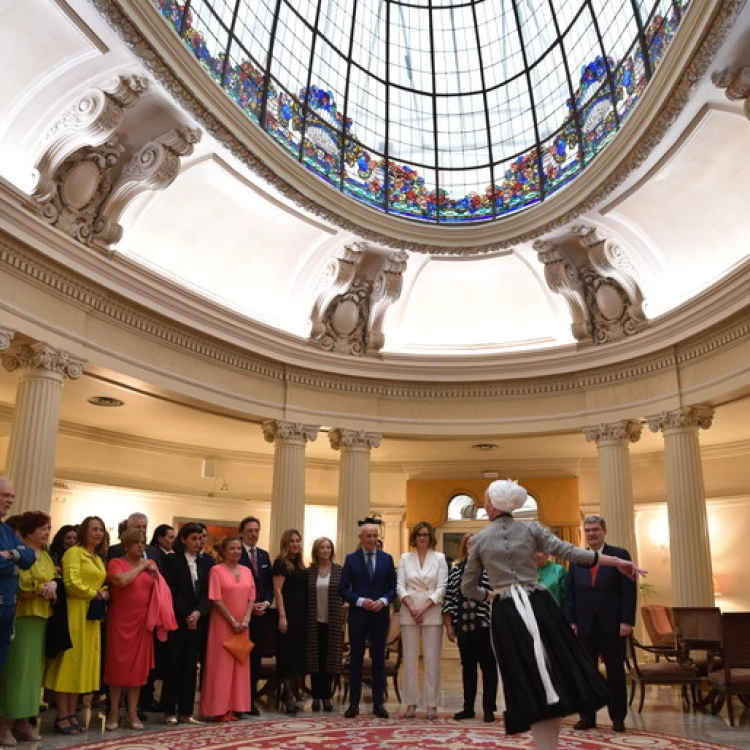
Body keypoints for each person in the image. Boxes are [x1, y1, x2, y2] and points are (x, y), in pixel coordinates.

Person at [462, 480, 645, 750]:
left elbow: (468, 586)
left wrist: (489, 595)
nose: (486, 505)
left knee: (528, 680)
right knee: (551, 676)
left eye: (487, 501)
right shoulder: (531, 528)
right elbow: (571, 552)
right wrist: (616, 561)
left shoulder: (479, 539)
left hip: (507, 613)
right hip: (540, 605)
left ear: (493, 504)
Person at [564, 515, 637, 733]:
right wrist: (571, 621)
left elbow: (629, 590)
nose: (591, 534)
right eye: (587, 530)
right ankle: (587, 716)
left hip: (613, 625)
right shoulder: (578, 558)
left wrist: (627, 621)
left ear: (604, 531)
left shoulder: (619, 555)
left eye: (595, 529)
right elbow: (570, 594)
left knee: (615, 672)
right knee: (586, 673)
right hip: (584, 626)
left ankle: (617, 717)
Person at [104, 527, 176, 731]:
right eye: (136, 542)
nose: (140, 546)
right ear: (126, 545)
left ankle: (132, 712)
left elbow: (162, 591)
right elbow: (120, 581)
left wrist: (155, 576)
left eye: (143, 543)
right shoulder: (116, 562)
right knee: (117, 666)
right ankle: (114, 711)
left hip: (144, 621)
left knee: (138, 669)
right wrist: (141, 567)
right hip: (120, 620)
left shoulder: (151, 564)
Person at [44, 515, 109, 735]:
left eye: (101, 529)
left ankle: (71, 713)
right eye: (94, 529)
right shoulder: (74, 553)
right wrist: (96, 594)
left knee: (81, 666)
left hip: (91, 615)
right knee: (69, 665)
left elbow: (102, 582)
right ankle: (62, 715)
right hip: (74, 613)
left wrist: (104, 592)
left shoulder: (97, 557)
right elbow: (71, 584)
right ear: (84, 531)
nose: (98, 533)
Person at [0, 511, 56, 744]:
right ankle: (5, 725)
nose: (47, 532)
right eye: (43, 528)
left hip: (41, 618)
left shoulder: (45, 555)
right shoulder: (20, 551)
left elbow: (53, 577)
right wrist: (39, 587)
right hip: (21, 617)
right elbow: (18, 581)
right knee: (17, 673)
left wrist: (53, 584)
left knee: (33, 674)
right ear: (29, 531)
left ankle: (24, 721)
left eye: (49, 528)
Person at [339, 521, 396, 719]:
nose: (372, 540)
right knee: (355, 660)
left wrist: (383, 600)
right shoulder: (351, 559)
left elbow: (393, 588)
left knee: (378, 659)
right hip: (358, 616)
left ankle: (378, 704)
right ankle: (353, 704)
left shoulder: (387, 559)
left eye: (375, 536)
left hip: (380, 615)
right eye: (368, 536)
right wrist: (360, 601)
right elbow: (343, 589)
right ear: (361, 538)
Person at [161, 522, 214, 725]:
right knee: (174, 664)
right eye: (193, 538)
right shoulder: (171, 561)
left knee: (191, 667)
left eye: (201, 538)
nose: (198, 542)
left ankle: (186, 711)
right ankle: (169, 710)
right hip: (177, 620)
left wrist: (198, 613)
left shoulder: (208, 561)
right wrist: (187, 614)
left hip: (199, 620)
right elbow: (171, 590)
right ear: (183, 540)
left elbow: (209, 591)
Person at [442, 532, 497, 723]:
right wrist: (449, 626)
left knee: (489, 669)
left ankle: (489, 709)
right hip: (463, 627)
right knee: (468, 669)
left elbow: (498, 596)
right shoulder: (456, 570)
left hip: (486, 627)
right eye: (469, 544)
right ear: (465, 547)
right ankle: (468, 708)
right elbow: (449, 599)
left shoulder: (491, 569)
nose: (472, 547)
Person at [199, 537, 255, 721]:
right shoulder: (216, 570)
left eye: (239, 548)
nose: (237, 552)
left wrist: (246, 619)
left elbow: (252, 597)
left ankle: (235, 707)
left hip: (243, 625)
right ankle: (219, 709)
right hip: (223, 624)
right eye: (232, 549)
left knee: (239, 664)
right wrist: (232, 620)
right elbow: (215, 598)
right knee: (221, 666)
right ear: (223, 551)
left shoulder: (247, 571)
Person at [397, 521, 448, 720]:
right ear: (414, 537)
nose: (422, 538)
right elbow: (400, 585)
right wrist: (412, 607)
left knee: (432, 660)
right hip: (409, 611)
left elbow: (442, 587)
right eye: (419, 534)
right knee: (409, 660)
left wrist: (425, 607)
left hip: (432, 611)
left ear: (431, 537)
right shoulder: (405, 558)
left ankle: (431, 705)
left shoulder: (440, 558)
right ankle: (410, 703)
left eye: (425, 534)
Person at [0, 480, 36, 677]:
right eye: (5, 495)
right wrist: (17, 558)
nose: (10, 500)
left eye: (12, 496)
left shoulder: (6, 529)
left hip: (8, 608)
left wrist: (10, 555)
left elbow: (29, 557)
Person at [238, 516, 272, 715]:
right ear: (241, 532)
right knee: (240, 658)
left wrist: (266, 603)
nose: (254, 534)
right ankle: (238, 700)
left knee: (255, 659)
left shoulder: (264, 555)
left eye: (257, 530)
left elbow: (268, 585)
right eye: (250, 530)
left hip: (260, 616)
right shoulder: (235, 553)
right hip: (241, 616)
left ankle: (250, 700)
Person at [306, 536, 343, 712]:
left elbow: (345, 593)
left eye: (328, 547)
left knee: (330, 660)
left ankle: (327, 697)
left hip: (333, 622)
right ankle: (315, 696)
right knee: (315, 659)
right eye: (322, 547)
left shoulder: (339, 571)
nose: (325, 550)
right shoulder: (310, 572)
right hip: (313, 621)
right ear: (316, 551)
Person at [272, 529, 307, 715]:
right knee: (287, 655)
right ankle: (287, 696)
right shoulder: (280, 563)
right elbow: (278, 591)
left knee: (297, 656)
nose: (295, 544)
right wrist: (282, 616)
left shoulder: (301, 565)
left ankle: (294, 692)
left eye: (297, 541)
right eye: (291, 541)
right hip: (289, 615)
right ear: (285, 544)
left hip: (302, 616)